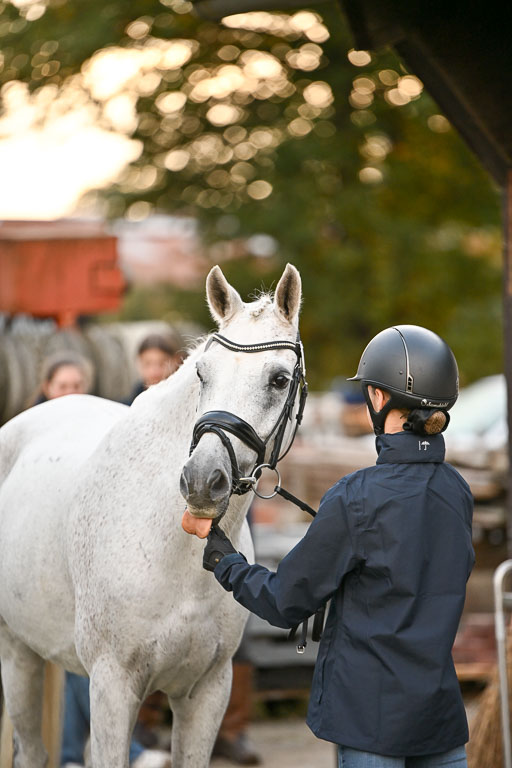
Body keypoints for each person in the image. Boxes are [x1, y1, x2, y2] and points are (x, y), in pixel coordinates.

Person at [202, 325, 474, 768]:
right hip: (439, 720)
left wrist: (224, 560)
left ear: (379, 399)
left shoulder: (356, 497)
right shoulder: (456, 490)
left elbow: (283, 601)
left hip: (370, 721)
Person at [126, 331, 184, 405]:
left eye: (162, 364)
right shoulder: (123, 410)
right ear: (138, 363)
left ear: (176, 361)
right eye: (147, 364)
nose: (154, 373)